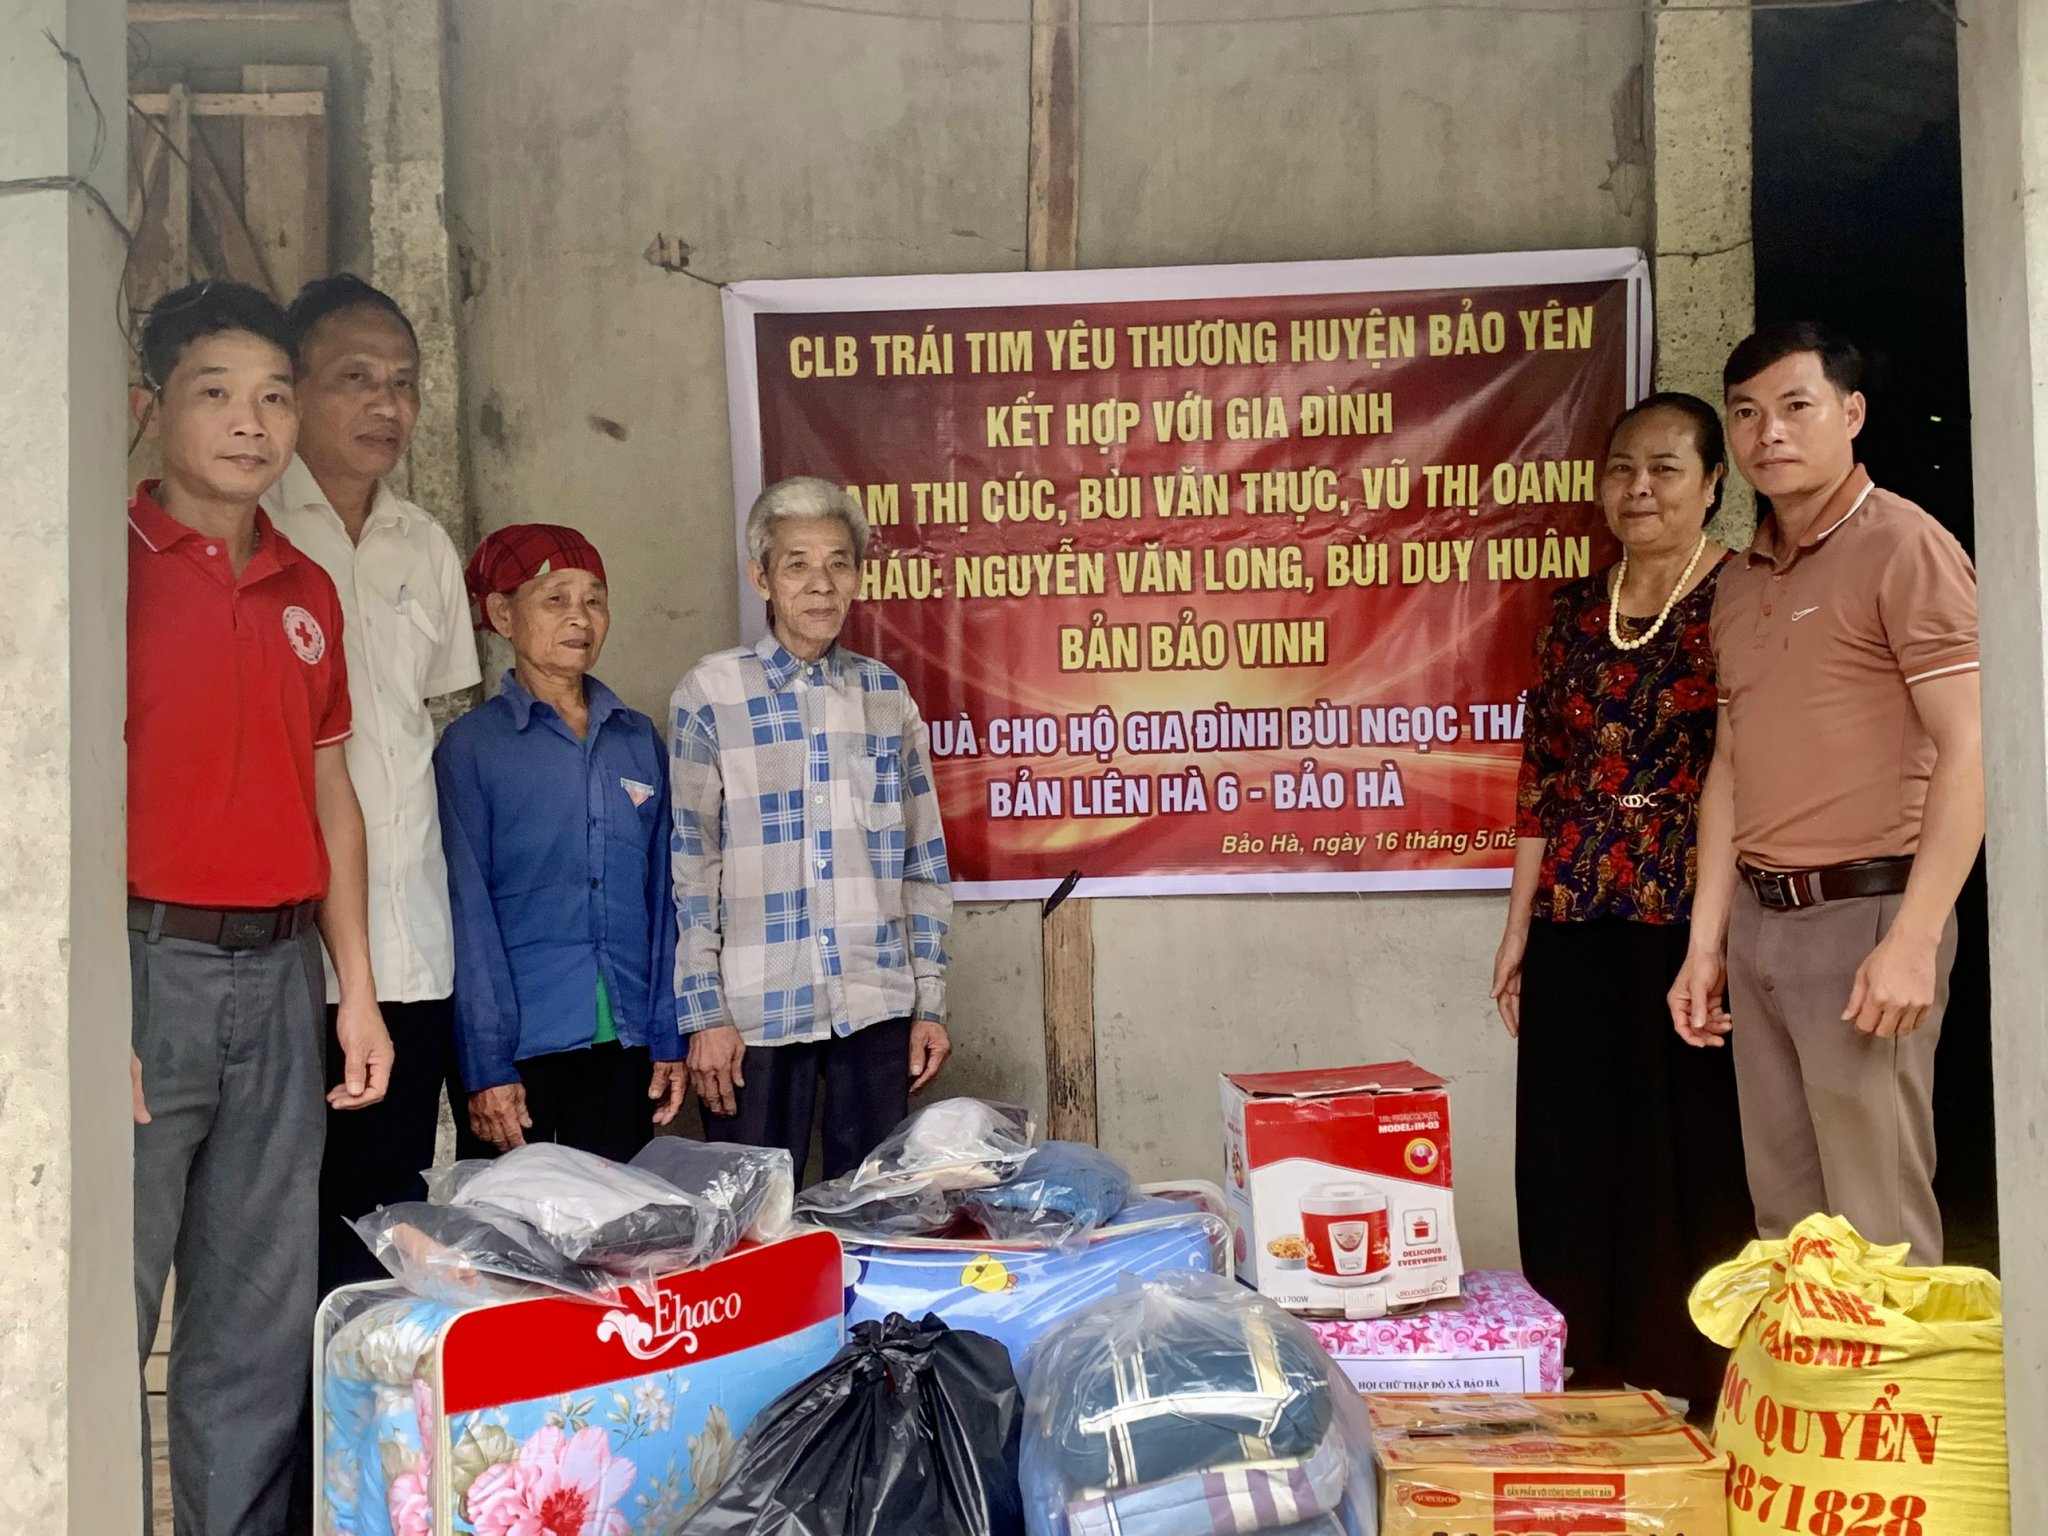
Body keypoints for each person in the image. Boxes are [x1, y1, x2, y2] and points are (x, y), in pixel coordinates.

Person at [127, 279, 393, 1534]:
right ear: (150, 406)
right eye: (216, 393)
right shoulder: (100, 573)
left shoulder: (307, 590)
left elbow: (332, 793)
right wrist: (86, 1006)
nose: (252, 422)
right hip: (144, 972)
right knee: (107, 1296)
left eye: (276, 397)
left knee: (255, 1317)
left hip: (283, 976)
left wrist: (357, 992)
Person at [1668, 324, 1983, 1268]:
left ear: (1852, 414)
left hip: (1867, 917)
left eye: (1796, 407)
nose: (1770, 432)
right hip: (1762, 920)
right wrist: (1707, 944)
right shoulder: (1740, 580)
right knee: (1788, 1229)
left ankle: (1898, 1378)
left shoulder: (1905, 545)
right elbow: (1731, 766)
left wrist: (1914, 940)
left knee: (1878, 1227)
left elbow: (1972, 745)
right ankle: (1812, 1375)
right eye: (1747, 413)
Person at [1492, 392, 1753, 1412]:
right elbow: (1542, 774)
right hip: (1573, 911)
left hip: (1682, 915)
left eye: (1664, 469)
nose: (1638, 489)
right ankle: (1583, 1365)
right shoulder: (1571, 610)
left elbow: (1740, 767)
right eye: (1620, 469)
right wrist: (1518, 924)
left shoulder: (1739, 596)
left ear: (1712, 483)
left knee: (1680, 1146)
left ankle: (1693, 1369)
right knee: (1568, 1145)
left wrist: (1709, 943)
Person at [265, 274, 481, 1295]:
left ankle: (365, 1400)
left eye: (403, 382)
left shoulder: (424, 545)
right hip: (287, 952)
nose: (387, 405)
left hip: (413, 942)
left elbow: (418, 728)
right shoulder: (257, 534)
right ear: (296, 388)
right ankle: (293, 1406)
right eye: (357, 378)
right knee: (277, 1216)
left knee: (387, 1211)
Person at [670, 476, 954, 1180]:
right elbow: (690, 866)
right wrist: (704, 1013)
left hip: (874, 1006)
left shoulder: (885, 697)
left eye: (838, 564)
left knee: (874, 1209)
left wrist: (930, 1002)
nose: (821, 584)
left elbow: (923, 861)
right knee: (756, 1220)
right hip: (755, 1014)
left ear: (857, 578)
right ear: (761, 578)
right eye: (797, 564)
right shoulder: (710, 694)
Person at [436, 524, 687, 1161]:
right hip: (520, 1050)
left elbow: (666, 899)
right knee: (510, 1221)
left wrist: (668, 1034)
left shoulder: (637, 738)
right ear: (503, 615)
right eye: (556, 599)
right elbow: (467, 914)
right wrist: (485, 1065)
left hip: (626, 1041)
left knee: (616, 1216)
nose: (580, 617)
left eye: (595, 601)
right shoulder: (472, 749)